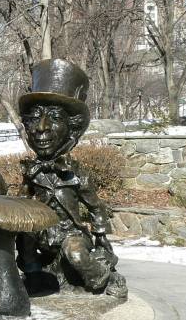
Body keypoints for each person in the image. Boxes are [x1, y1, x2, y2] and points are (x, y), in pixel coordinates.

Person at [17, 59, 126, 297]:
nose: (41, 128)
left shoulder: (76, 174)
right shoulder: (32, 171)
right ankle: (35, 277)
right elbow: (21, 203)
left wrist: (100, 234)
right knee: (24, 240)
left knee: (75, 253)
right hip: (42, 230)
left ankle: (102, 278)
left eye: (54, 118)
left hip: (70, 233)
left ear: (72, 127)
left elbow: (95, 206)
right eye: (34, 118)